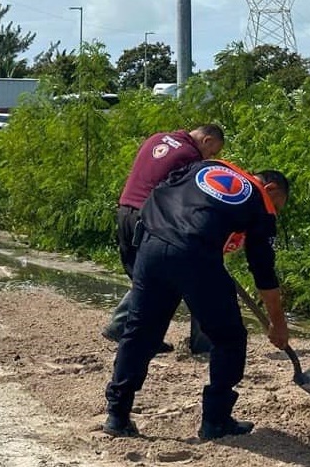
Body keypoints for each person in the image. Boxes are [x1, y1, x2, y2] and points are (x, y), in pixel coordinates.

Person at [102, 161, 290, 440]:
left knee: (140, 332)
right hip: (194, 254)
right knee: (229, 338)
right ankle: (216, 421)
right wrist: (278, 323)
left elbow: (163, 186)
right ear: (271, 188)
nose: (275, 209)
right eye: (279, 203)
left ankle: (117, 415)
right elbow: (263, 270)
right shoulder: (260, 200)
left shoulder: (207, 166)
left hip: (151, 242)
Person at [102, 125, 225, 354]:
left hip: (125, 211)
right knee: (172, 275)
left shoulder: (157, 138)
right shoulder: (190, 156)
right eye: (212, 151)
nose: (210, 157)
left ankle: (131, 330)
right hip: (149, 217)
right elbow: (190, 196)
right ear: (206, 140)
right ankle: (200, 341)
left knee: (150, 276)